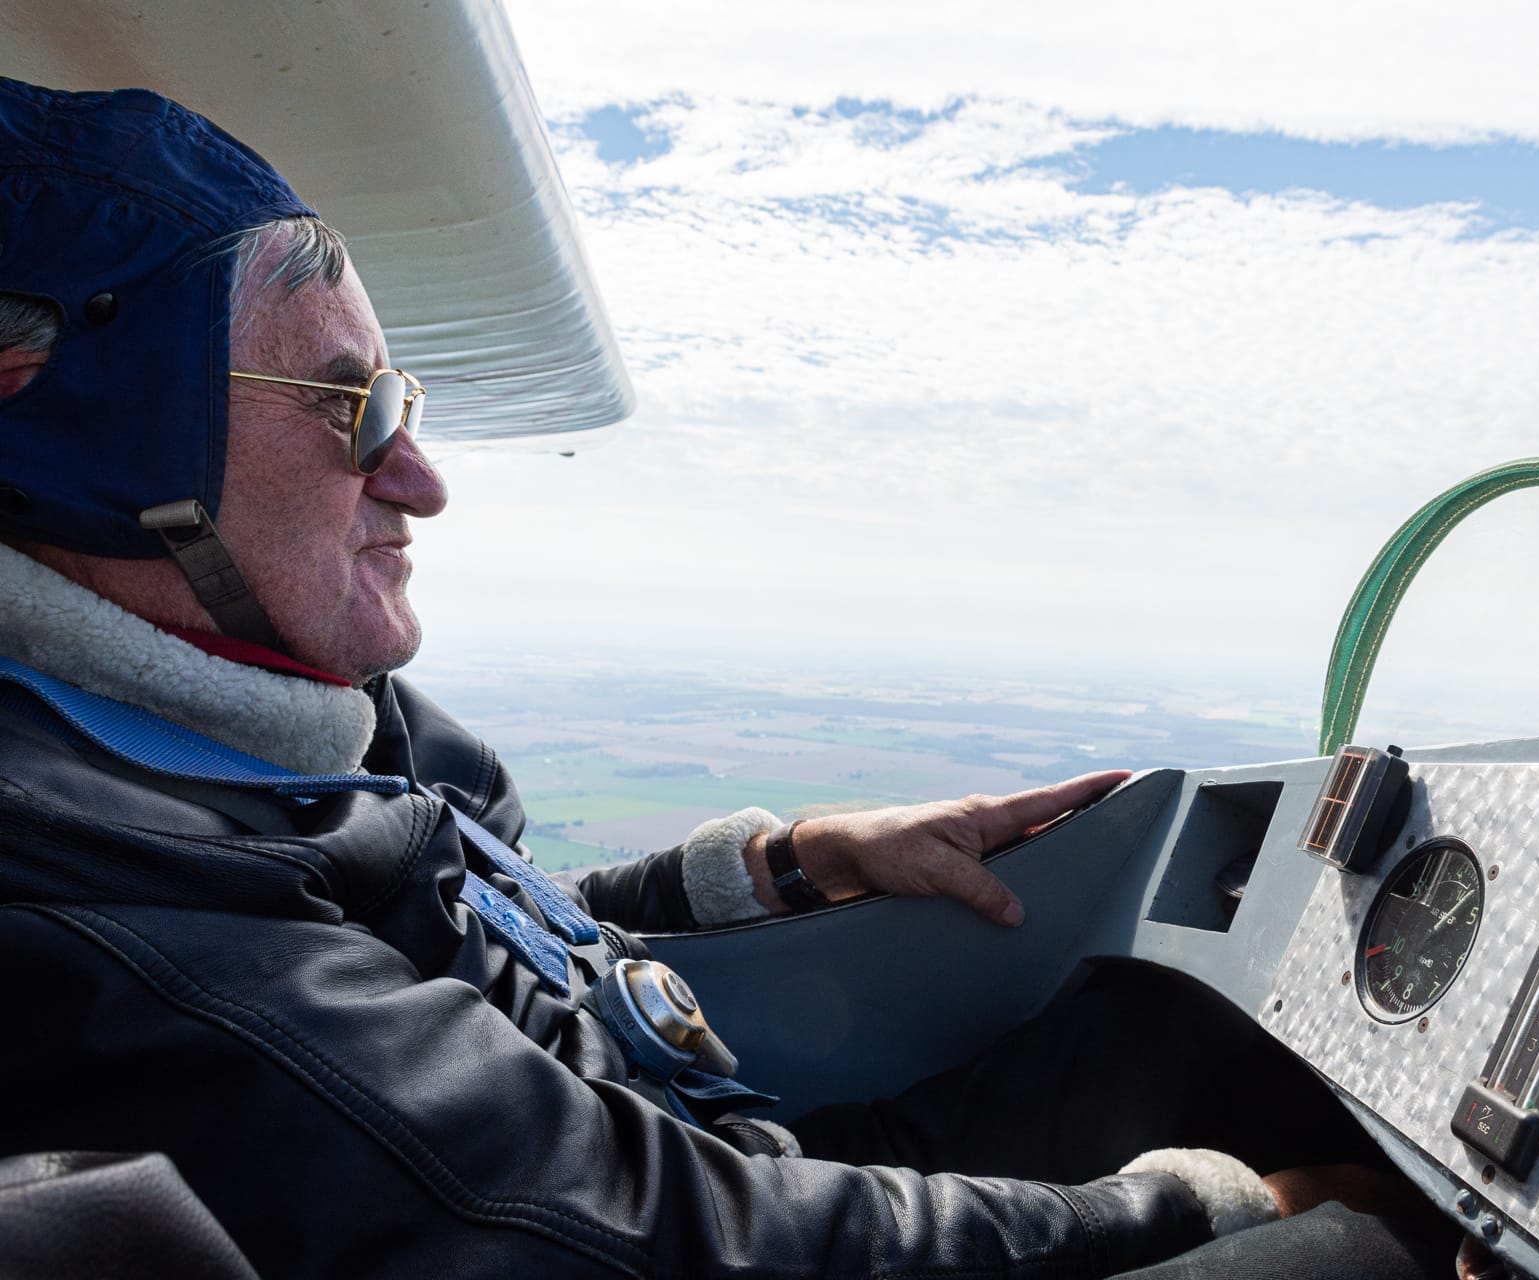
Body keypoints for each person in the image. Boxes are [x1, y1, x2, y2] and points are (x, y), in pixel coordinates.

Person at [0, 78, 1452, 1278]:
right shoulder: (109, 900)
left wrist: (789, 866)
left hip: (716, 1162)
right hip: (699, 1217)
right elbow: (633, 1235)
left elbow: (480, 944)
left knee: (1180, 1025)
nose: (419, 480)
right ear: (92, 446)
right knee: (1369, 1252)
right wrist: (1209, 1210)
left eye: (401, 400)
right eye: (347, 407)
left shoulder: (238, 718)